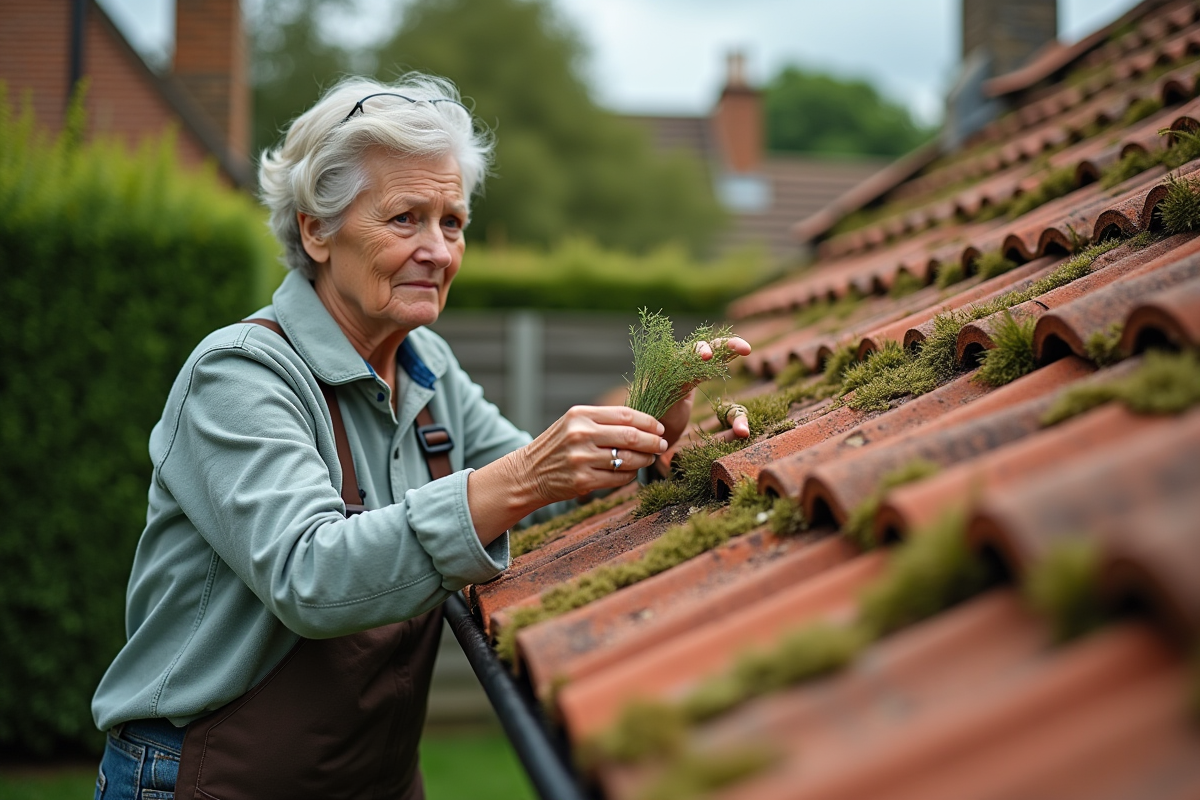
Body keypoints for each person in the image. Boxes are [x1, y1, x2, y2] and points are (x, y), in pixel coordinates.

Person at [90, 74, 751, 800]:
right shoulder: (241, 376)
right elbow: (309, 576)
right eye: (405, 218)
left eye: (454, 222)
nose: (438, 250)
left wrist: (651, 442)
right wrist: (527, 473)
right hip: (208, 779)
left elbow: (537, 495)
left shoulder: (424, 365)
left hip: (376, 779)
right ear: (316, 229)